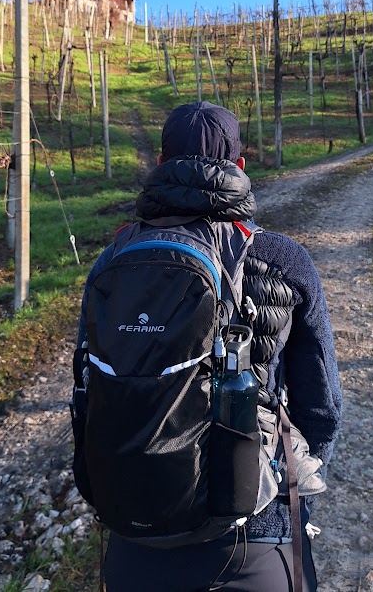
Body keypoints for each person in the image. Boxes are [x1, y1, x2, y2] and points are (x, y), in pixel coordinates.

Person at [75, 101, 342, 591]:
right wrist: (291, 496)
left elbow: (91, 388)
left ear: (159, 165)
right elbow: (322, 408)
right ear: (239, 167)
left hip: (134, 539)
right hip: (253, 540)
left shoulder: (112, 261)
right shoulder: (284, 258)